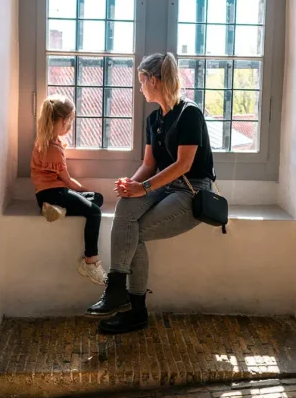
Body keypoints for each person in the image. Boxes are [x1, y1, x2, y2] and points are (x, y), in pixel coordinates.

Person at [88, 52, 215, 334]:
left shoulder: (189, 113)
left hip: (191, 192)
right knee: (125, 207)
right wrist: (130, 185)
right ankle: (121, 292)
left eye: (142, 81)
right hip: (165, 187)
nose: (140, 87)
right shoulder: (154, 119)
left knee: (134, 233)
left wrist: (143, 188)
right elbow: (149, 164)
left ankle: (132, 307)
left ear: (154, 80)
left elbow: (184, 165)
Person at [31, 95, 107, 286]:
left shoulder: (43, 141)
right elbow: (68, 181)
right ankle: (90, 261)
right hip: (55, 193)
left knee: (96, 198)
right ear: (64, 121)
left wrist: (86, 194)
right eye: (71, 121)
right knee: (94, 211)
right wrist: (83, 190)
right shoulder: (53, 149)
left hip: (45, 195)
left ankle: (57, 209)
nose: (71, 126)